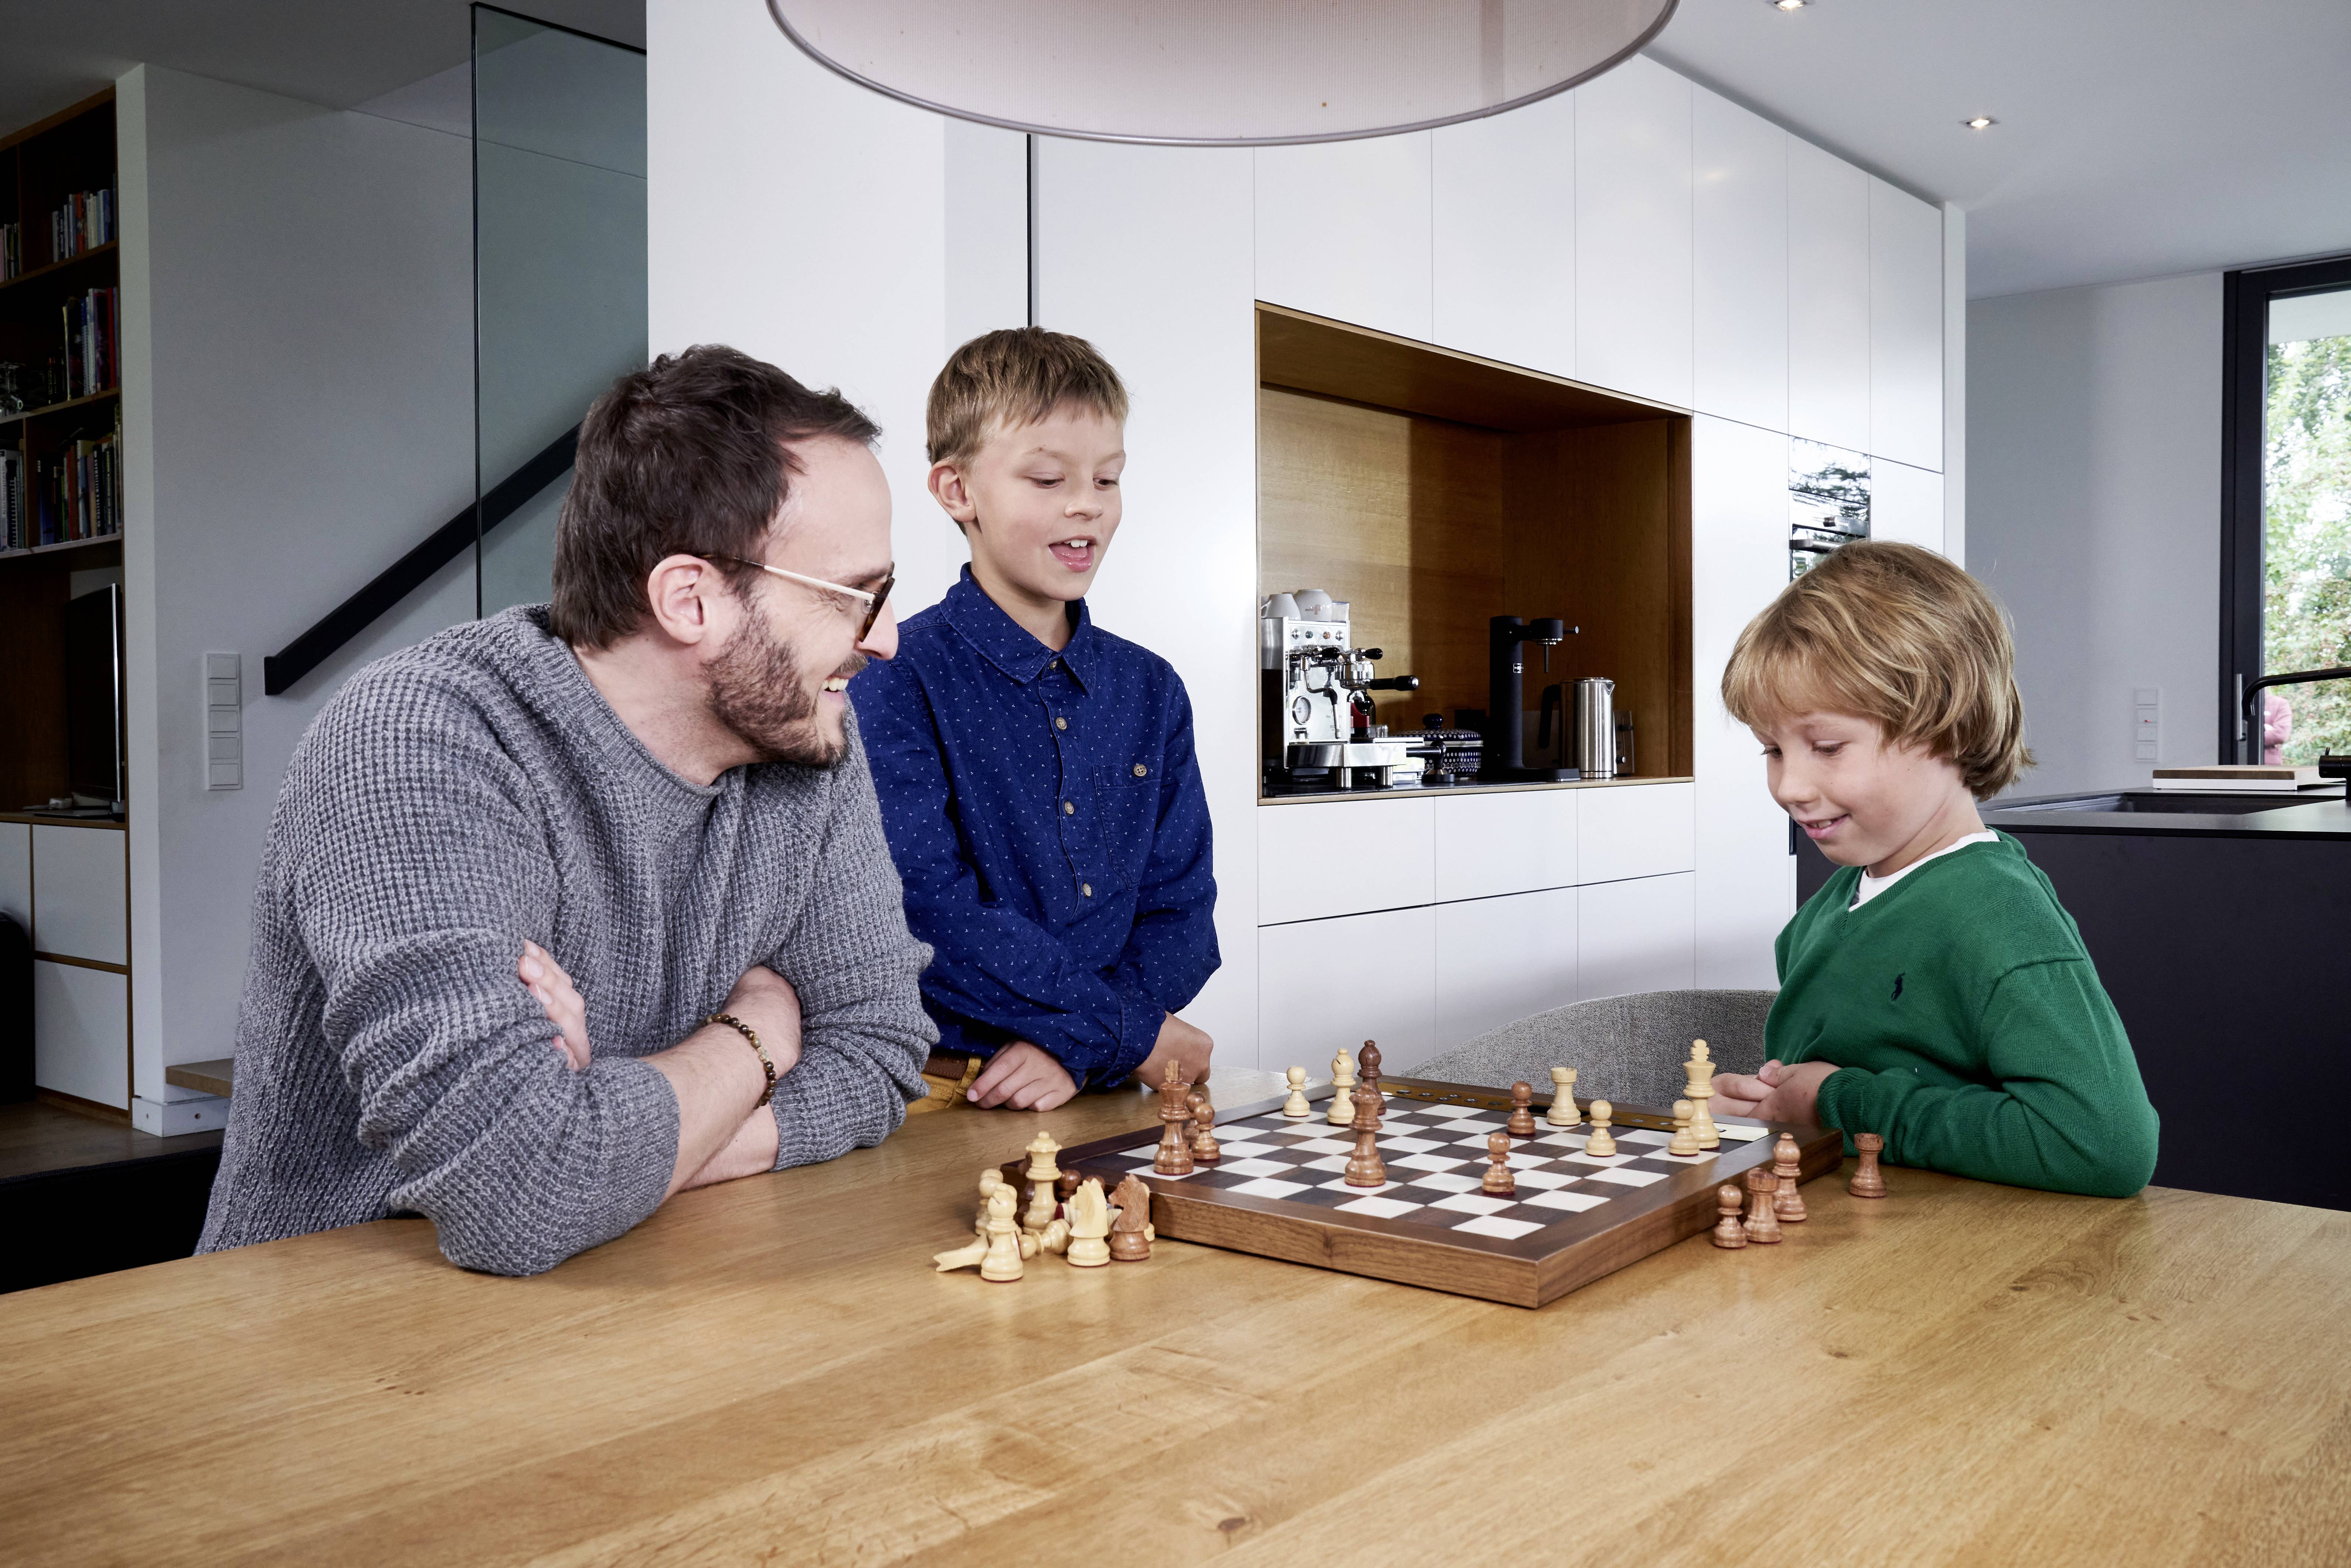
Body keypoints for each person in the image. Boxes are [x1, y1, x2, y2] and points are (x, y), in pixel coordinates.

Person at [199, 346, 936, 1275]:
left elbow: (878, 1050)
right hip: (332, 1344)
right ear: (691, 599)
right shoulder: (419, 739)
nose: (889, 638)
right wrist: (757, 1037)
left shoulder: (811, 739)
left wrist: (621, 1142)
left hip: (637, 1293)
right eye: (857, 598)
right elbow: (516, 1190)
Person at [1709, 541, 2158, 1197]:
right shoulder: (1834, 903)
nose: (1789, 786)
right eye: (1773, 751)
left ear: (1947, 729)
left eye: (1827, 747)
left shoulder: (1997, 913)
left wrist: (1837, 1103)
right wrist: (1771, 1106)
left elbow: (2104, 1146)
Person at [850, 327, 1218, 1113]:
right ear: (956, 491)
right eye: (1047, 479)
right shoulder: (893, 677)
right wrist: (1134, 1034)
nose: (1086, 503)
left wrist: (1084, 1048)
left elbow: (1182, 915)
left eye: (1108, 479)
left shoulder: (1152, 688)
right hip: (953, 1088)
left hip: (1105, 1080)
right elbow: (927, 915)